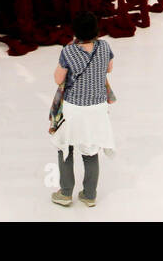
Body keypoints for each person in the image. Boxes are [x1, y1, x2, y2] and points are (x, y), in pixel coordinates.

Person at [49, 11, 115, 207]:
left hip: (74, 109)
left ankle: (66, 192)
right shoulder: (104, 47)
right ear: (96, 29)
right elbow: (109, 69)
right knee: (91, 150)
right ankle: (89, 194)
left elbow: (58, 79)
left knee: (65, 148)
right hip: (97, 109)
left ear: (75, 32)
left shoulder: (68, 51)